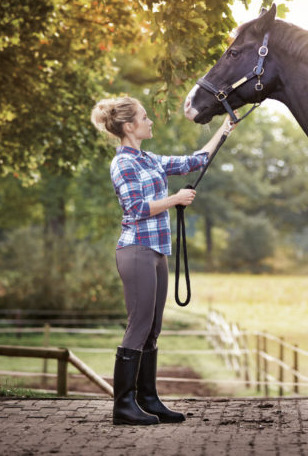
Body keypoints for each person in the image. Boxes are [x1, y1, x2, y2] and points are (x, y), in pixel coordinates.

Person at [90, 96, 233, 426]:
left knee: (153, 329)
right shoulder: (123, 164)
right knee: (138, 326)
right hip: (136, 250)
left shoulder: (148, 159)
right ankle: (123, 406)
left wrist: (225, 129)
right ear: (129, 127)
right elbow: (136, 209)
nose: (150, 120)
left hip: (156, 252)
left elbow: (194, 161)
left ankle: (148, 399)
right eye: (144, 116)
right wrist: (176, 199)